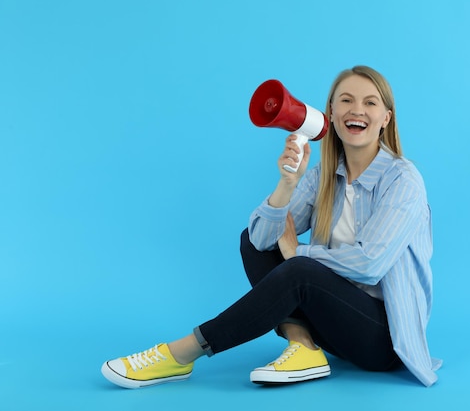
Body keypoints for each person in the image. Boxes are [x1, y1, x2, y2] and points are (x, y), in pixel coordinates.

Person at [101, 65, 441, 389]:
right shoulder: (323, 176)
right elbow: (262, 240)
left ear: (386, 118)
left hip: (382, 340)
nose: (357, 110)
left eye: (370, 103)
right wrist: (287, 185)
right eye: (346, 100)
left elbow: (369, 264)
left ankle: (180, 353)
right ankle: (305, 348)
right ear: (332, 113)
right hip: (333, 326)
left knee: (300, 269)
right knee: (252, 241)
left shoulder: (403, 180)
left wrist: (299, 253)